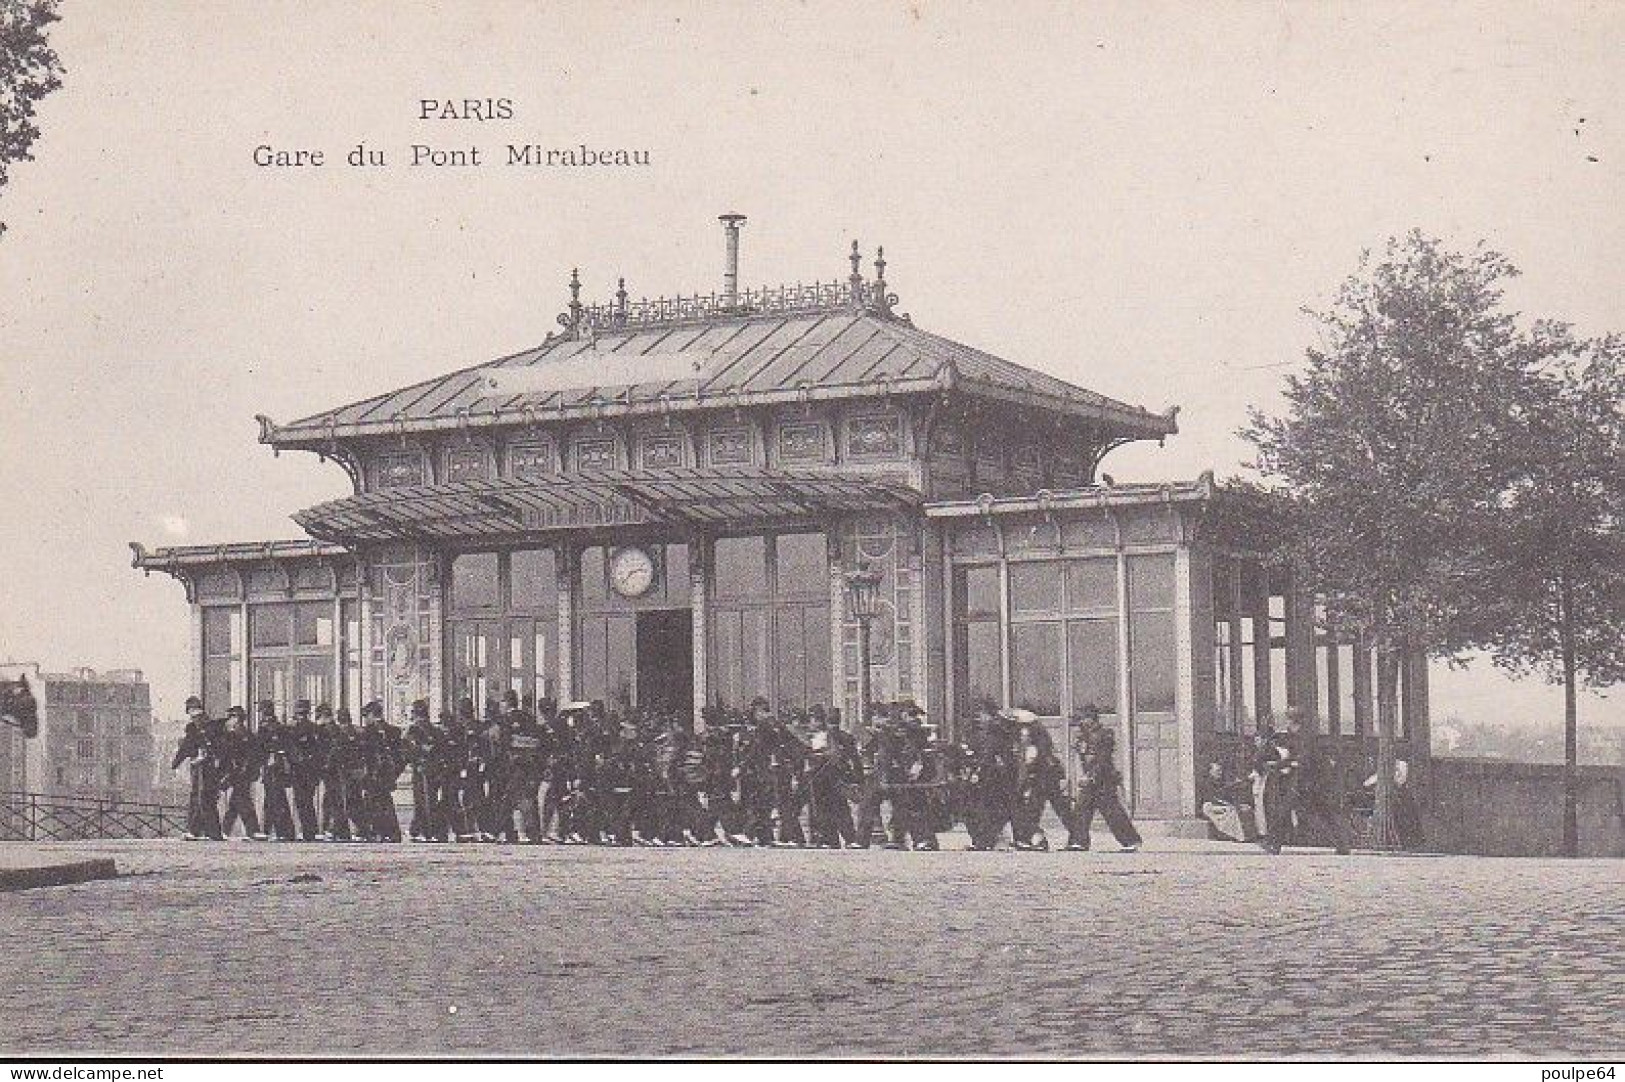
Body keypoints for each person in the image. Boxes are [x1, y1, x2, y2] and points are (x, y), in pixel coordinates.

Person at [1070, 707, 1141, 852]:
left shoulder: (1104, 735)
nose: (1080, 724)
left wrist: (1091, 776)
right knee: (1081, 809)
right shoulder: (1083, 737)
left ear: (1091, 719)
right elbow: (1084, 758)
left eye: (1083, 720)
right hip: (1090, 780)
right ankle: (1079, 841)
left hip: (1104, 779)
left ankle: (1131, 841)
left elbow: (1103, 760)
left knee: (1111, 811)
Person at [1284, 707, 1351, 854]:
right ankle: (1274, 843)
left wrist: (1293, 764)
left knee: (1324, 812)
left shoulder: (1304, 737)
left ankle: (1342, 844)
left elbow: (1306, 758)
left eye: (1288, 719)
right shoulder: (1297, 736)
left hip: (1313, 782)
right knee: (1289, 807)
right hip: (1309, 781)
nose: (1286, 723)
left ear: (1293, 721)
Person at [1008, 708, 1077, 850]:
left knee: (1035, 810)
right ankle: (1076, 837)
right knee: (1058, 809)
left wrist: (1026, 782)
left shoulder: (1034, 746)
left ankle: (1037, 840)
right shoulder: (1040, 740)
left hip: (1042, 779)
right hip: (1046, 779)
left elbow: (1031, 765)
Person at [171, 696, 223, 841]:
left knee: (203, 798)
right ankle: (198, 831)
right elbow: (187, 746)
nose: (195, 718)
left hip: (206, 766)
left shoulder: (205, 727)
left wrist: (176, 763)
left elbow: (187, 746)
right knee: (200, 798)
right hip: (202, 766)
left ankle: (209, 832)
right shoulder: (200, 727)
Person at [218, 706, 263, 840]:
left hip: (244, 773)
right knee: (241, 800)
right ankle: (251, 830)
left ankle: (227, 830)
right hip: (234, 773)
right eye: (234, 718)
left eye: (238, 718)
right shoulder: (229, 736)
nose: (236, 721)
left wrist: (252, 769)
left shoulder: (247, 735)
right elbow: (225, 756)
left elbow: (255, 755)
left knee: (239, 800)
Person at [1251, 719, 1296, 855]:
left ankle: (1272, 841)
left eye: (1259, 739)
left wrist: (1272, 767)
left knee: (1272, 812)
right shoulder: (1272, 752)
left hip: (1272, 785)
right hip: (1271, 784)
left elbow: (1261, 767)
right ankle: (1272, 841)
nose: (1256, 742)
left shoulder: (1269, 751)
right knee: (1271, 812)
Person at [256, 700, 298, 842]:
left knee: (277, 798)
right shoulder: (276, 727)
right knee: (271, 799)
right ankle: (267, 830)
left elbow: (268, 747)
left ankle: (283, 831)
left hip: (275, 767)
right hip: (272, 767)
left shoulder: (272, 728)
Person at [403, 699, 442, 842]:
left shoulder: (413, 730)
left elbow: (407, 749)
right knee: (430, 799)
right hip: (433, 769)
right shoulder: (435, 729)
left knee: (421, 799)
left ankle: (426, 831)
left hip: (420, 768)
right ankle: (418, 830)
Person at [287, 701, 325, 841]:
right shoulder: (298, 729)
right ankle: (310, 830)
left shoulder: (308, 729)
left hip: (305, 770)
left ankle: (309, 831)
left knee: (304, 800)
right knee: (304, 801)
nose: (300, 716)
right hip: (303, 770)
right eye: (299, 714)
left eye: (302, 713)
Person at [1198, 760, 1255, 842]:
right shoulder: (1206, 782)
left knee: (1234, 810)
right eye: (1217, 771)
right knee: (1230, 811)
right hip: (1209, 806)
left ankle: (1238, 835)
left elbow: (1226, 796)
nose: (1220, 773)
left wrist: (1238, 805)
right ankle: (1237, 836)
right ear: (1210, 772)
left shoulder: (1220, 782)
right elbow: (1212, 798)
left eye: (1220, 770)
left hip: (1219, 805)